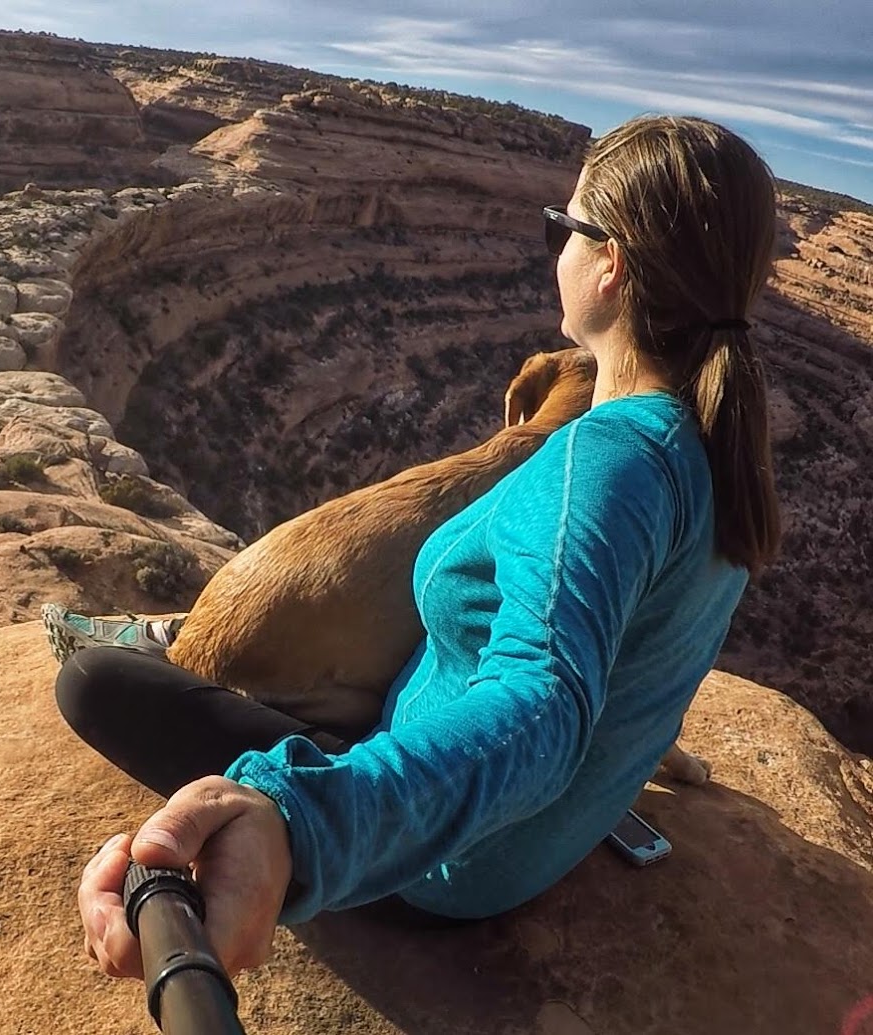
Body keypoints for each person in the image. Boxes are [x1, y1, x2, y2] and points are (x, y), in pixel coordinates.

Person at [52, 114, 782, 980]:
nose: (557, 249)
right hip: (531, 833)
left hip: (437, 861)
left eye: (566, 228)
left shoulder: (607, 458)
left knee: (95, 678)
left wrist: (299, 821)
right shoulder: (716, 450)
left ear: (612, 263)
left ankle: (161, 643)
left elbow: (542, 704)